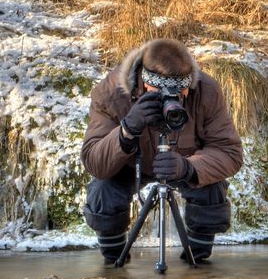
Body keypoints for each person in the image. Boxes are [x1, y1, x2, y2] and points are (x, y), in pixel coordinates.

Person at [80, 38, 243, 265]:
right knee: (103, 190)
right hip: (128, 163)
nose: (172, 100)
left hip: (182, 162)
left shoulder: (206, 91)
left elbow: (230, 152)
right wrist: (126, 131)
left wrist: (189, 168)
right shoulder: (111, 93)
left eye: (180, 92)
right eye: (162, 93)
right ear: (145, 84)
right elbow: (93, 162)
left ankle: (197, 263)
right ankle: (115, 262)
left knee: (211, 187)